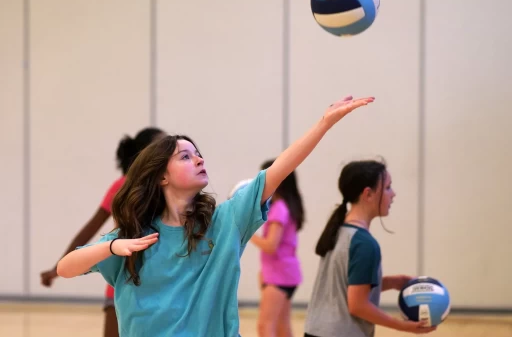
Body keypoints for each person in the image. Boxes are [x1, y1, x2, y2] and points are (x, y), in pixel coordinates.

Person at [56, 95, 375, 336]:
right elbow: (66, 268)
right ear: (161, 177)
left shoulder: (227, 221)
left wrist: (324, 123)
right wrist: (112, 247)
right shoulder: (133, 238)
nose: (198, 159)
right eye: (185, 156)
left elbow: (278, 170)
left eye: (198, 153)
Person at [40, 127, 165, 337]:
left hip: (158, 283)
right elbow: (90, 229)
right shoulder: (123, 186)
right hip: (123, 279)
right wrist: (57, 268)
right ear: (145, 152)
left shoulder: (169, 187)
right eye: (161, 145)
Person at [303, 160, 437, 337]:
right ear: (368, 194)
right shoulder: (364, 243)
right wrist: (404, 326)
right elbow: (357, 305)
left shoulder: (337, 231)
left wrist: (391, 282)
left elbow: (344, 289)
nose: (393, 194)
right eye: (388, 187)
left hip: (316, 330)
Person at [250, 159, 305, 337]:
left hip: (279, 276)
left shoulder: (279, 208)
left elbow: (271, 246)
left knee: (265, 327)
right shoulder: (285, 206)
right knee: (283, 328)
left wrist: (247, 232)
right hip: (286, 274)